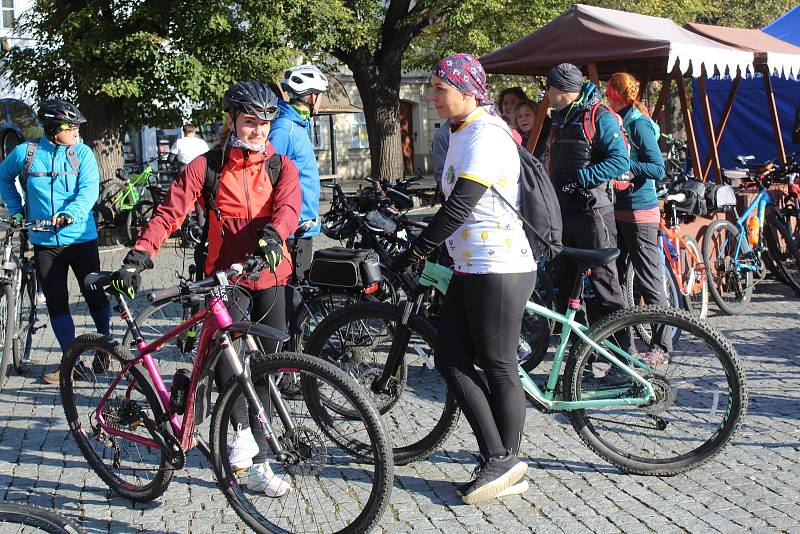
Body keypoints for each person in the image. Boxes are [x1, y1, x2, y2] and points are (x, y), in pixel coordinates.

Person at [109, 80, 301, 497]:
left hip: (271, 275)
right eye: (250, 122)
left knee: (267, 371)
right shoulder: (206, 167)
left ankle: (258, 457)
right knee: (232, 370)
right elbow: (169, 212)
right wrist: (138, 256)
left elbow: (288, 207)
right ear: (231, 121)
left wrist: (273, 236)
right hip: (226, 278)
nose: (259, 131)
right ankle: (239, 445)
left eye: (266, 123)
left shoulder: (281, 166)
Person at [394, 53, 536, 505]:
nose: (432, 96)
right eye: (433, 87)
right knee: (451, 358)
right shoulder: (458, 132)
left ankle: (504, 460)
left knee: (497, 364)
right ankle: (501, 458)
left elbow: (461, 207)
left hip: (499, 265)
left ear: (469, 91)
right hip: (469, 266)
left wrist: (415, 251)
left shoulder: (487, 134)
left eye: (440, 89)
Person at [0, 99, 111, 385]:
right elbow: (4, 177)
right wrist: (15, 209)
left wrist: (70, 214)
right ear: (52, 129)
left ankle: (105, 348)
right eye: (70, 127)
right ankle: (72, 362)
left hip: (80, 239)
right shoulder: (26, 153)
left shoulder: (82, 153)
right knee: (57, 303)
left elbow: (89, 190)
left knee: (95, 296)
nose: (76, 131)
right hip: (44, 242)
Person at [545, 63, 631, 346]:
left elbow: (620, 161)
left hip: (594, 212)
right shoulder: (560, 118)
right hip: (564, 211)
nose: (546, 94)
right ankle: (581, 357)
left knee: (605, 284)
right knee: (566, 286)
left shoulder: (599, 115)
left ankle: (623, 360)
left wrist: (582, 178)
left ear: (561, 89)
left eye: (549, 87)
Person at [607, 72, 671, 357]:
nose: (605, 95)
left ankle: (662, 346)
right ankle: (622, 347)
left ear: (615, 94)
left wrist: (628, 164)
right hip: (620, 212)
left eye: (607, 90)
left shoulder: (639, 123)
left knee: (649, 281)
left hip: (641, 213)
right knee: (614, 279)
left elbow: (657, 168)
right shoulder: (619, 119)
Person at [269, 64, 329, 280]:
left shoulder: (299, 125)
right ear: (312, 97)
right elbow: (268, 176)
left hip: (304, 224)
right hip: (294, 227)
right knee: (293, 290)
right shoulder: (285, 128)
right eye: (321, 95)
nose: (321, 100)